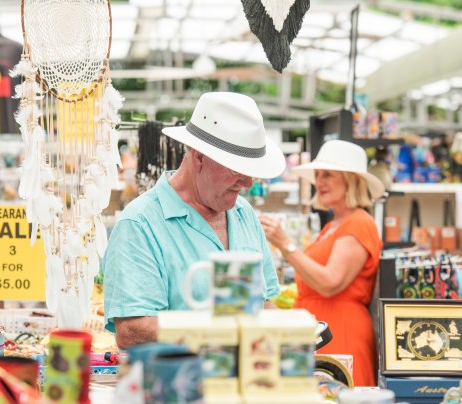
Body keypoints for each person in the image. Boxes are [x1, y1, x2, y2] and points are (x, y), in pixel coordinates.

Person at [103, 92, 285, 349]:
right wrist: (221, 333)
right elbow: (133, 329)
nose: (248, 183)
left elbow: (265, 302)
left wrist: (291, 332)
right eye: (237, 169)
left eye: (251, 171)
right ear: (198, 157)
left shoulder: (243, 214)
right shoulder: (140, 223)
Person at [260, 140, 385, 386]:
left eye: (328, 175)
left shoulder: (358, 223)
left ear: (351, 180)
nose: (320, 182)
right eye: (318, 175)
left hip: (340, 332)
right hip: (322, 331)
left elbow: (330, 282)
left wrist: (285, 244)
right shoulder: (334, 225)